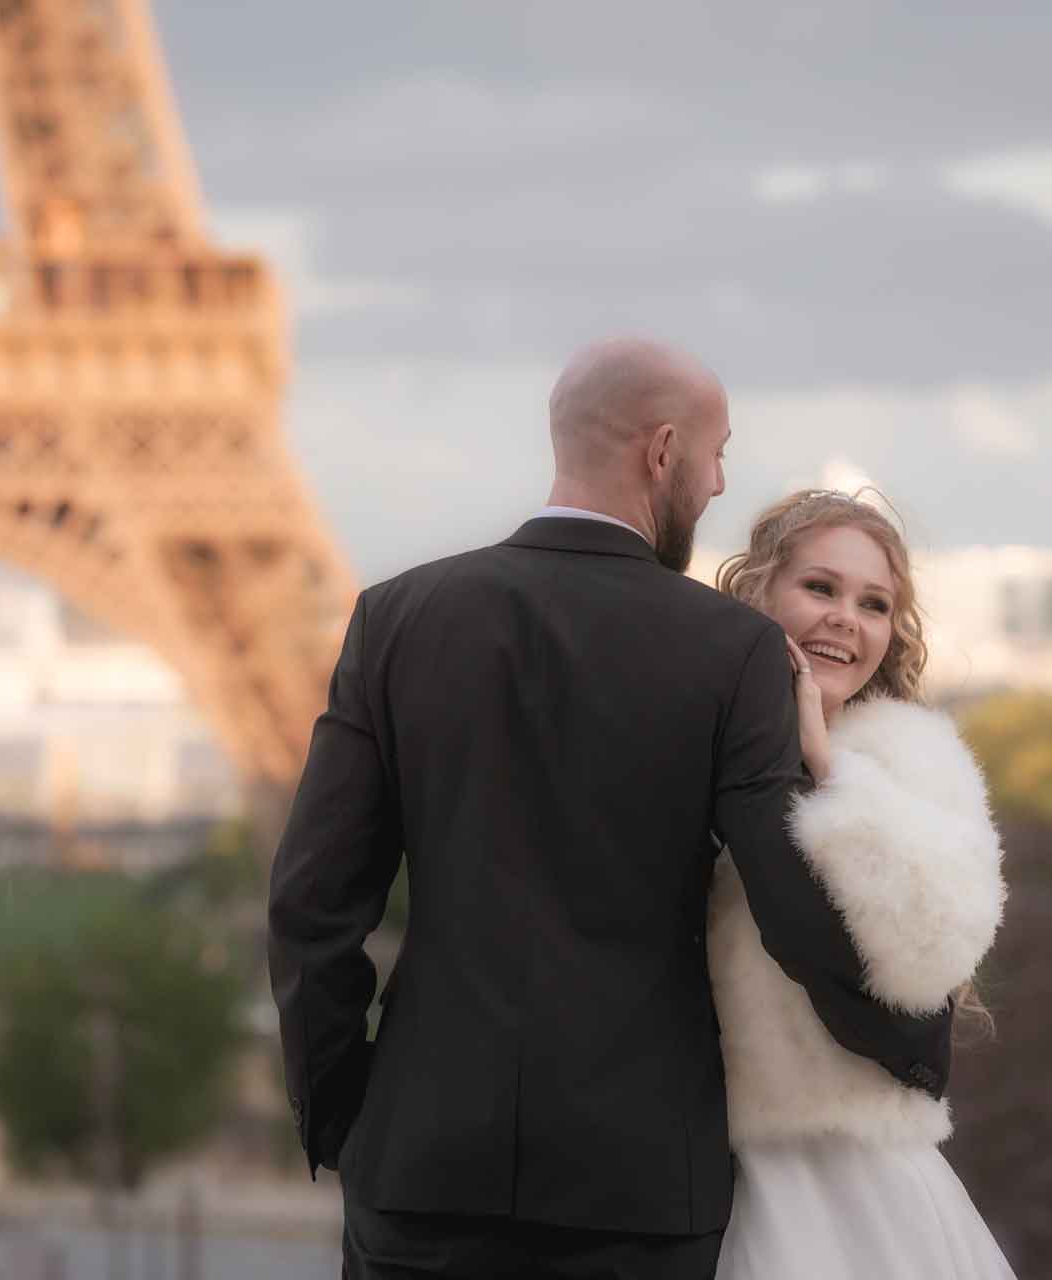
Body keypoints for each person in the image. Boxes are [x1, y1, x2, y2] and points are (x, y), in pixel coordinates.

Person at [267, 338, 952, 1279]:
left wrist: (346, 1111)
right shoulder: (731, 650)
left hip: (422, 1159)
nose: (718, 484)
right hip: (638, 1180)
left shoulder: (397, 617)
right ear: (663, 451)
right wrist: (912, 1042)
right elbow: (788, 896)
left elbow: (312, 906)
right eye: (715, 456)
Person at [710, 489, 1016, 1278]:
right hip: (694, 1168)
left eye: (874, 603)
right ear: (757, 595)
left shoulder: (915, 764)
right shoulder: (694, 752)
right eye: (820, 588)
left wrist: (829, 767)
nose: (847, 617)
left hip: (855, 1174)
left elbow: (925, 956)